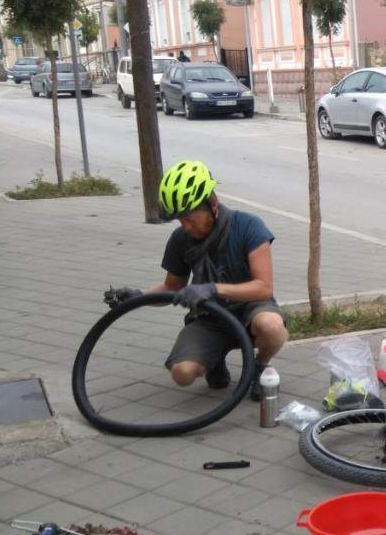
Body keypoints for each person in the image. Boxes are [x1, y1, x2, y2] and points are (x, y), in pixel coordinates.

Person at [109, 160, 288, 399]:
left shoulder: (248, 226)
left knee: (272, 326)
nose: (185, 225)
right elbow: (171, 287)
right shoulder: (180, 239)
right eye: (179, 220)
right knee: (182, 374)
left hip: (251, 310)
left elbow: (263, 288)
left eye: (189, 217)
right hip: (210, 316)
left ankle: (259, 367)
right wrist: (138, 297)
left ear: (212, 204)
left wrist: (213, 288)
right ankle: (214, 360)